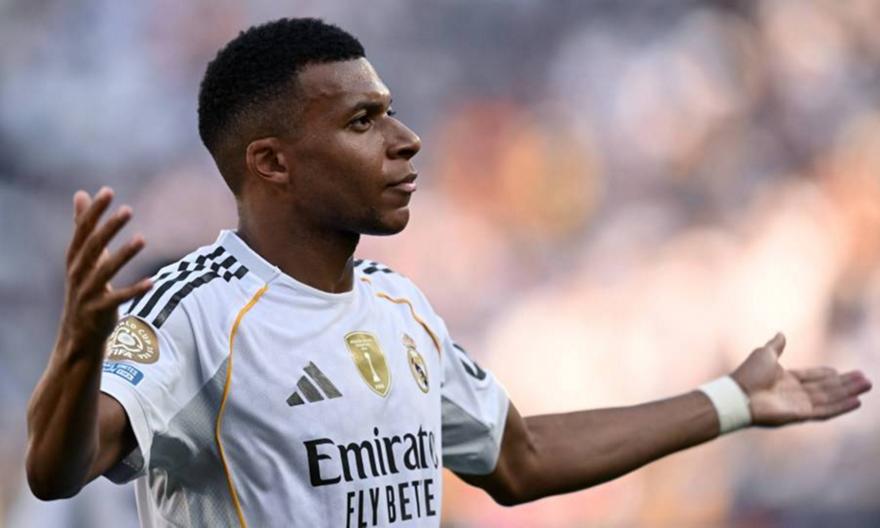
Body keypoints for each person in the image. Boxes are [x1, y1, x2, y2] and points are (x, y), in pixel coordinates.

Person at [24, 17, 872, 528]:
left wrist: (732, 401)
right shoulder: (190, 309)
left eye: (391, 112)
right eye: (364, 121)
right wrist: (80, 348)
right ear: (273, 163)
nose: (406, 140)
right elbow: (59, 471)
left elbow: (519, 459)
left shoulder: (399, 305)